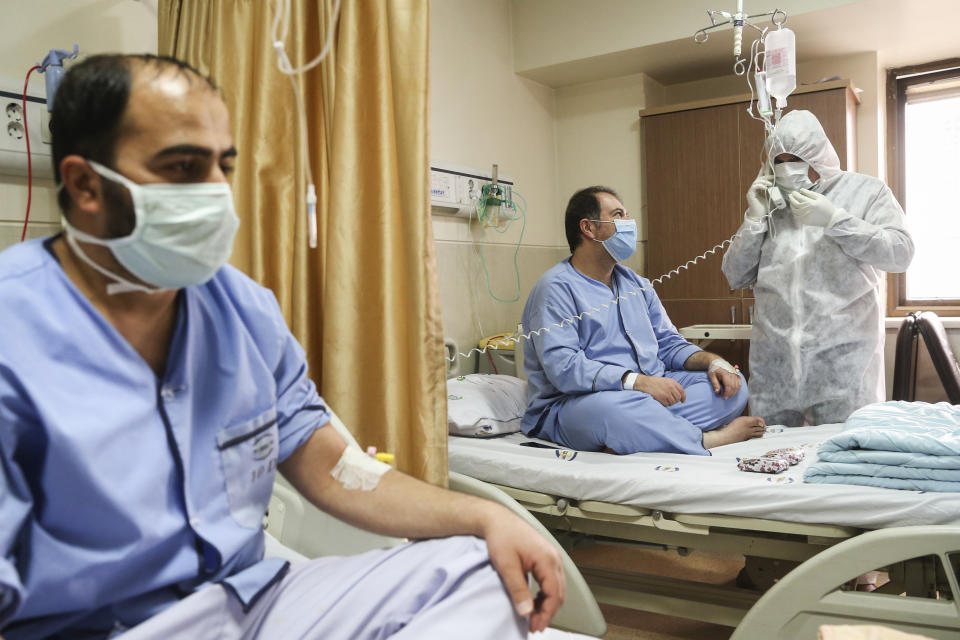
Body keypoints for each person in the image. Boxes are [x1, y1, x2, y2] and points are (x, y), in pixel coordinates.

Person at [0, 54, 564, 640]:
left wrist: (485, 516)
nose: (218, 192)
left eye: (224, 165)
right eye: (185, 166)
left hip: (253, 603)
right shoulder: (15, 330)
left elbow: (332, 466)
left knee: (483, 570)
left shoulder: (243, 310)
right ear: (86, 184)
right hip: (108, 627)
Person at [520, 186, 767, 455]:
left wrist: (714, 363)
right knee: (614, 412)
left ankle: (640, 433)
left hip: (650, 391)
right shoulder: (555, 288)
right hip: (580, 403)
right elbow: (564, 369)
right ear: (588, 228)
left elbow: (668, 343)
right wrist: (637, 382)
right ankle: (707, 440)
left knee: (733, 385)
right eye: (618, 215)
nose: (629, 224)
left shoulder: (636, 284)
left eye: (627, 215)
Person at [722, 110, 914, 427]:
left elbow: (900, 253)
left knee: (842, 462)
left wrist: (836, 220)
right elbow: (735, 274)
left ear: (818, 157)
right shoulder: (771, 206)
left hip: (843, 370)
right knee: (773, 465)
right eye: (778, 160)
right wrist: (754, 219)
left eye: (795, 158)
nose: (786, 168)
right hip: (775, 371)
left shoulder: (866, 192)